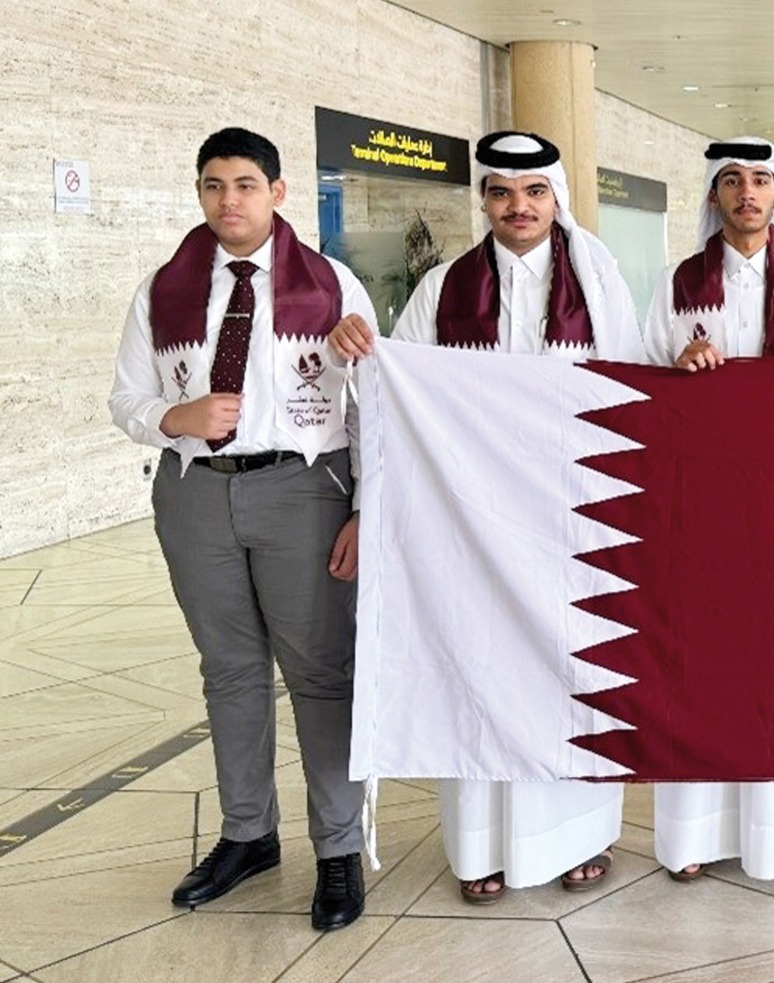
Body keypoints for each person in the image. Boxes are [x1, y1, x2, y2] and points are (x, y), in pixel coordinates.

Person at [327, 131, 643, 903]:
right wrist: (354, 357)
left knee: (574, 667)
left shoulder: (599, 282)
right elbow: (398, 398)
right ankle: (482, 845)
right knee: (476, 664)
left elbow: (636, 394)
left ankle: (576, 838)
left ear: (556, 197)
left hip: (575, 514)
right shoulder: (444, 287)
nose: (518, 207)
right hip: (471, 515)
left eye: (533, 192)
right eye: (501, 192)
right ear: (484, 201)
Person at [109, 128, 372, 930]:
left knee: (322, 673)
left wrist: (367, 507)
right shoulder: (163, 288)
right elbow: (126, 401)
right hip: (195, 492)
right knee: (229, 671)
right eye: (215, 185)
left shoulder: (331, 283)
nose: (231, 200)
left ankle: (336, 848)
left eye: (247, 184)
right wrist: (172, 415)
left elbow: (374, 404)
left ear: (279, 192)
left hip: (305, 491)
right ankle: (248, 833)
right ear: (199, 193)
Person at [642, 136, 774, 881]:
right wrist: (678, 365)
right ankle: (693, 835)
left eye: (761, 181)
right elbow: (646, 376)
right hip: (704, 507)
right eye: (732, 182)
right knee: (702, 660)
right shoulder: (674, 284)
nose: (747, 193)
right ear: (715, 196)